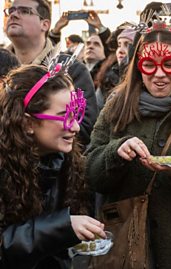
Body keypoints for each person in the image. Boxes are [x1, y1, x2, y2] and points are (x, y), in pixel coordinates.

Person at [85, 24, 171, 268]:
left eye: (169, 64)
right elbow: (90, 174)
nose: (159, 74)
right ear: (139, 67)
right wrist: (115, 152)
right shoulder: (116, 107)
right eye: (149, 65)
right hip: (125, 249)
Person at [0, 64, 106, 268]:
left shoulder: (63, 160)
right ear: (27, 123)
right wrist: (60, 227)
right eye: (64, 115)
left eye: (76, 114)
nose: (75, 126)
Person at [5, 0, 98, 145]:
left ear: (45, 24)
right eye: (11, 11)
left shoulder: (72, 69)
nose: (13, 15)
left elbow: (84, 127)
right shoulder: (2, 65)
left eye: (24, 11)